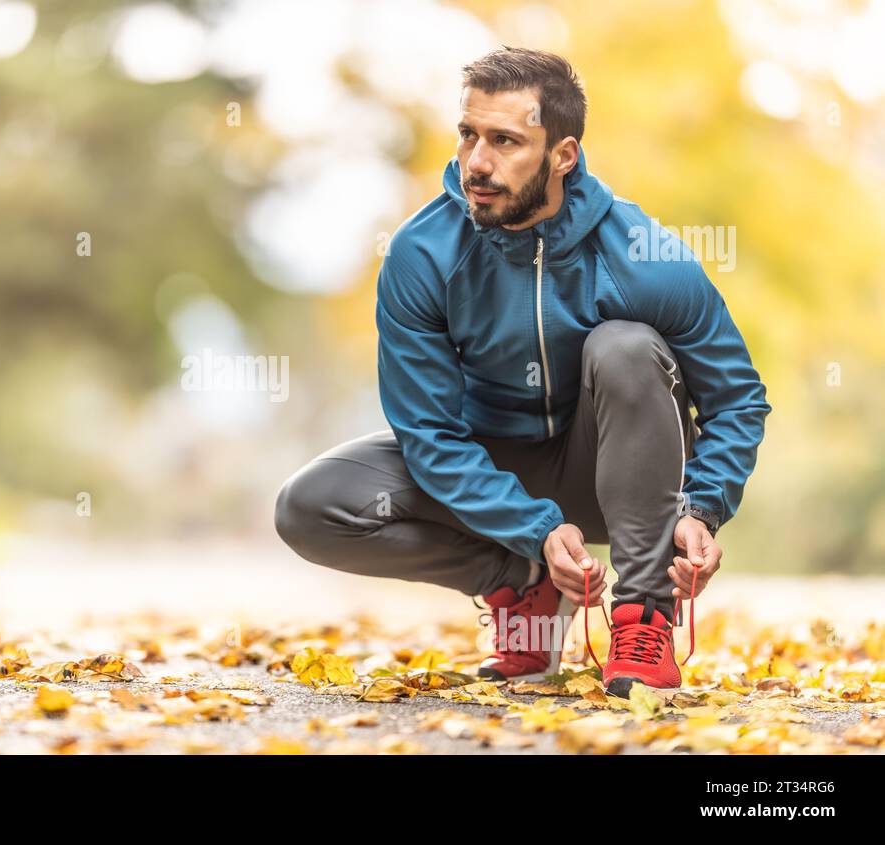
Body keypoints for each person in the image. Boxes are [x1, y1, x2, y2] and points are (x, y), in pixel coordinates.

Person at [273, 47, 771, 697]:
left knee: (625, 346)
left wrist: (703, 506)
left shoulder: (644, 256)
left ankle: (644, 614)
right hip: (491, 477)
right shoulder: (422, 255)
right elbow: (428, 433)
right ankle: (520, 582)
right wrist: (529, 528)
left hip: (616, 477)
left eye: (505, 141)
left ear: (562, 155)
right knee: (310, 506)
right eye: (469, 134)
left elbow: (737, 400)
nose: (477, 161)